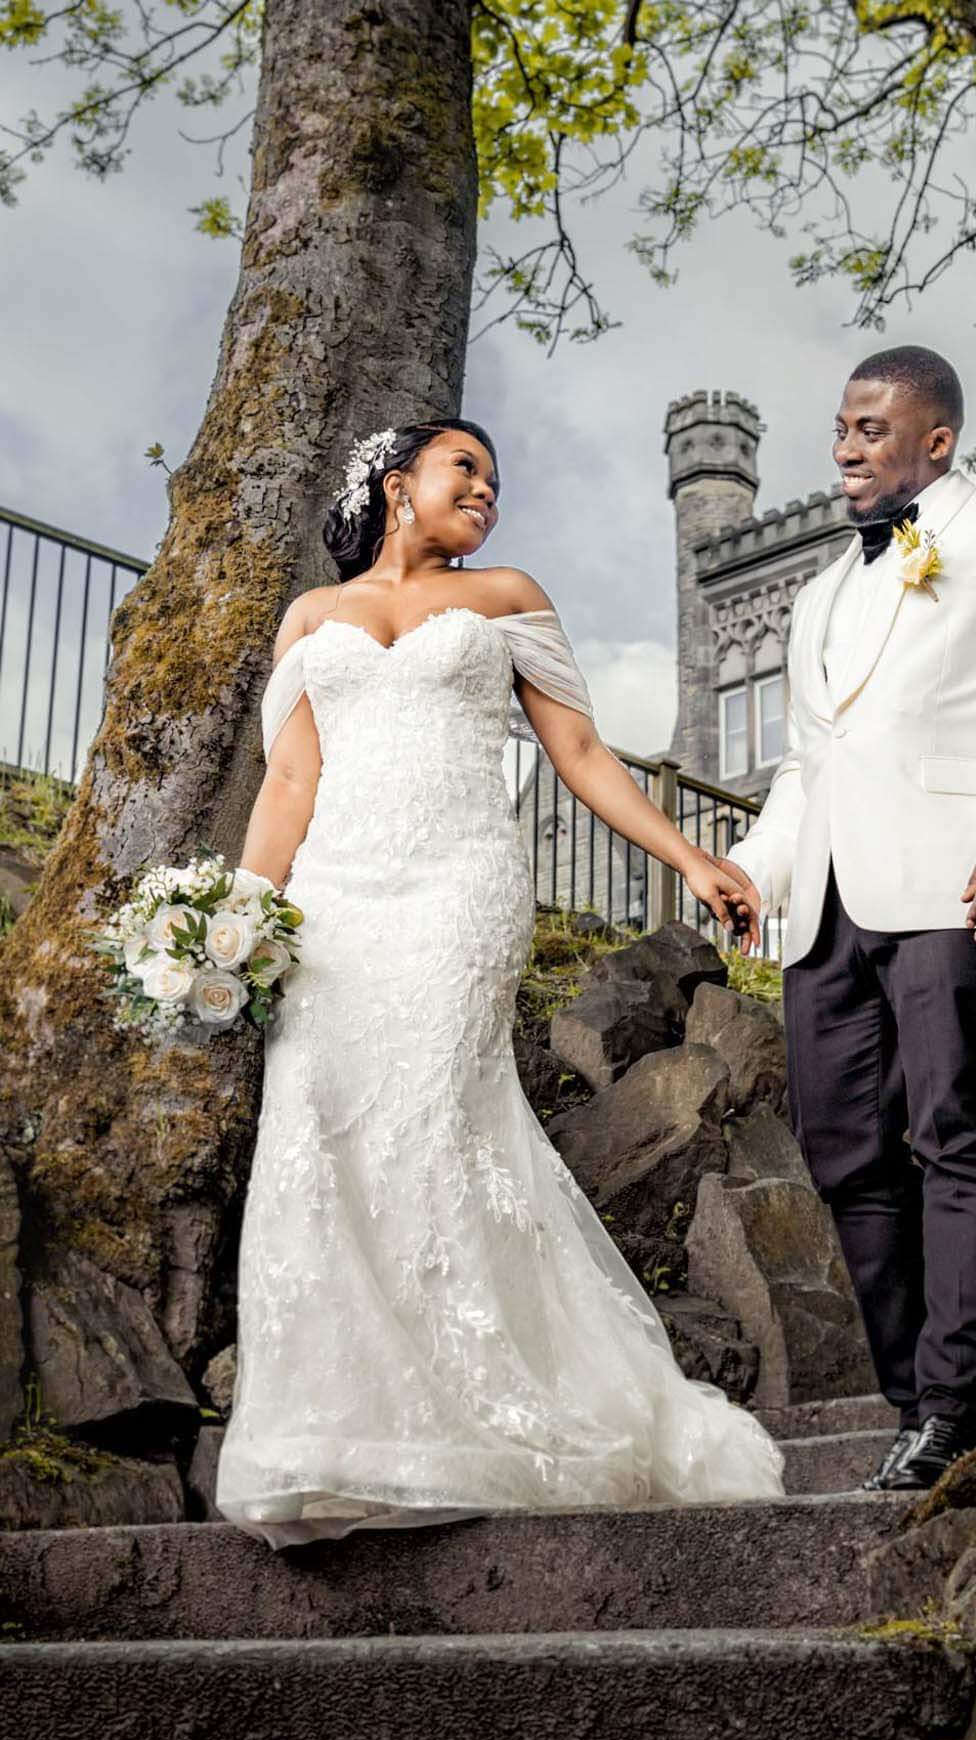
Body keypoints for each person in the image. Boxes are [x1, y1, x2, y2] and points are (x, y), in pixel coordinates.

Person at [214, 416, 785, 1547]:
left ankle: (478, 1416)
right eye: (463, 467)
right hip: (332, 903)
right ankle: (343, 1434)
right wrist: (236, 918)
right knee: (319, 1133)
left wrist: (691, 858)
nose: (486, 489)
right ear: (394, 484)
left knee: (431, 1119)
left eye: (496, 477)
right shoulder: (309, 620)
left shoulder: (505, 594)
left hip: (456, 890)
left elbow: (579, 755)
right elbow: (288, 779)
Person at [715, 347, 976, 1493]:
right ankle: (909, 1399)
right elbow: (805, 762)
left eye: (871, 424)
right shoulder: (820, 591)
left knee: (956, 1130)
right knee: (844, 1151)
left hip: (958, 879)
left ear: (935, 437)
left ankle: (957, 1398)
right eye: (839, 424)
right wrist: (752, 865)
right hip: (825, 905)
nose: (845, 443)